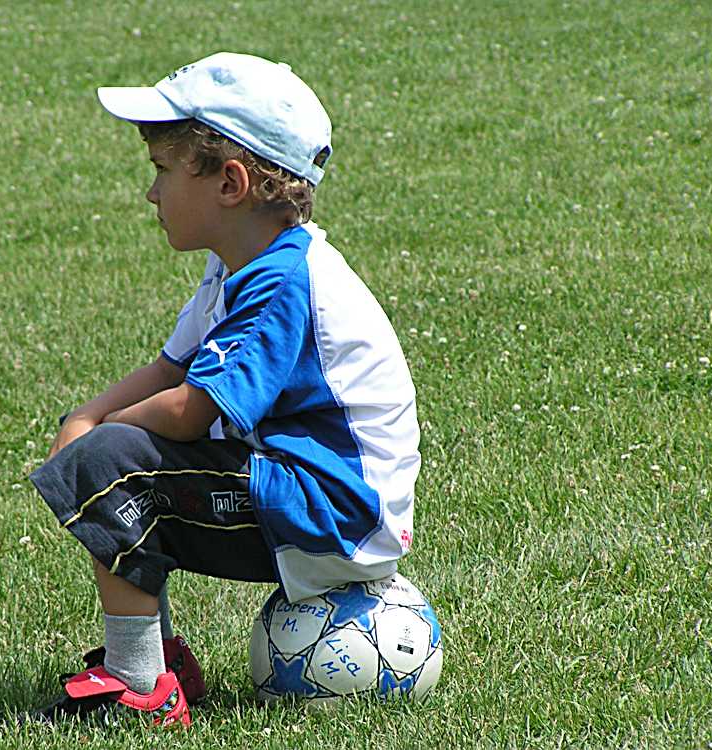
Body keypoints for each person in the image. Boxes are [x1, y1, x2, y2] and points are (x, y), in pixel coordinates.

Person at [27, 51, 420, 727]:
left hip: (333, 514)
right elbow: (172, 368)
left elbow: (188, 412)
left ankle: (140, 684)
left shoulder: (285, 281)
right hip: (295, 488)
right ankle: (160, 660)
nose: (150, 193)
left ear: (230, 183)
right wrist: (87, 415)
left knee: (111, 463)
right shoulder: (236, 265)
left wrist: (99, 442)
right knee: (107, 447)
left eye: (162, 172)